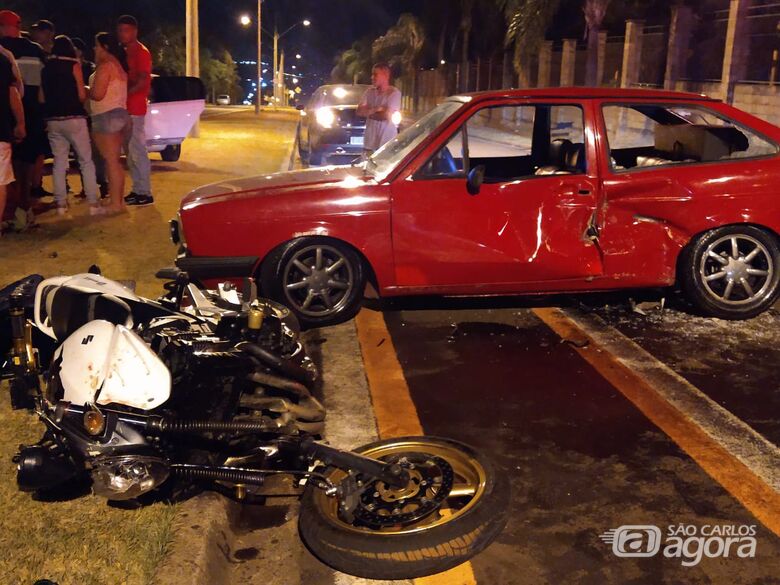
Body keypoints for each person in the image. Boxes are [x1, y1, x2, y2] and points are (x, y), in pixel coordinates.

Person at [40, 35, 101, 216]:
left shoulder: (45, 69)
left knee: (59, 162)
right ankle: (93, 203)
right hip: (74, 117)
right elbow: (82, 95)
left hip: (53, 120)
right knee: (85, 160)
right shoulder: (74, 65)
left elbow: (41, 98)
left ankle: (61, 203)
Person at [0, 10, 46, 228]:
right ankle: (23, 210)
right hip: (30, 114)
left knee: (6, 172)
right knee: (25, 166)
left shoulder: (3, 52)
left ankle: (10, 213)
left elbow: (12, 90)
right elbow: (36, 89)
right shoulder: (34, 49)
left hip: (7, 116)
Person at [89, 32, 129, 214]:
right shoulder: (118, 66)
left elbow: (97, 94)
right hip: (119, 114)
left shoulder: (106, 66)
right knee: (115, 161)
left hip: (106, 115)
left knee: (111, 162)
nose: (94, 49)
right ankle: (117, 201)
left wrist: (84, 89)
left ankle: (115, 204)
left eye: (96, 45)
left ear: (104, 47)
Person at [117, 14, 153, 207]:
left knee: (137, 150)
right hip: (125, 108)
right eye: (120, 30)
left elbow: (142, 80)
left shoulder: (141, 52)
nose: (122, 34)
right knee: (130, 153)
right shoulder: (124, 52)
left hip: (135, 107)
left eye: (126, 30)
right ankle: (137, 189)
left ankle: (145, 192)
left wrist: (125, 95)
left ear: (134, 31)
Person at [0, 49, 25, 237]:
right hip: (1, 129)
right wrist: (20, 122)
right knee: (0, 182)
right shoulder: (2, 59)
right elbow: (12, 92)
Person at [356, 63, 402, 156]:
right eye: (372, 74)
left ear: (386, 76)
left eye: (375, 74)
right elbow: (359, 111)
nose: (372, 77)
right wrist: (377, 109)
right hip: (369, 143)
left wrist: (368, 111)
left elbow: (386, 116)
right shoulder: (369, 92)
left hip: (387, 143)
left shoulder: (394, 93)